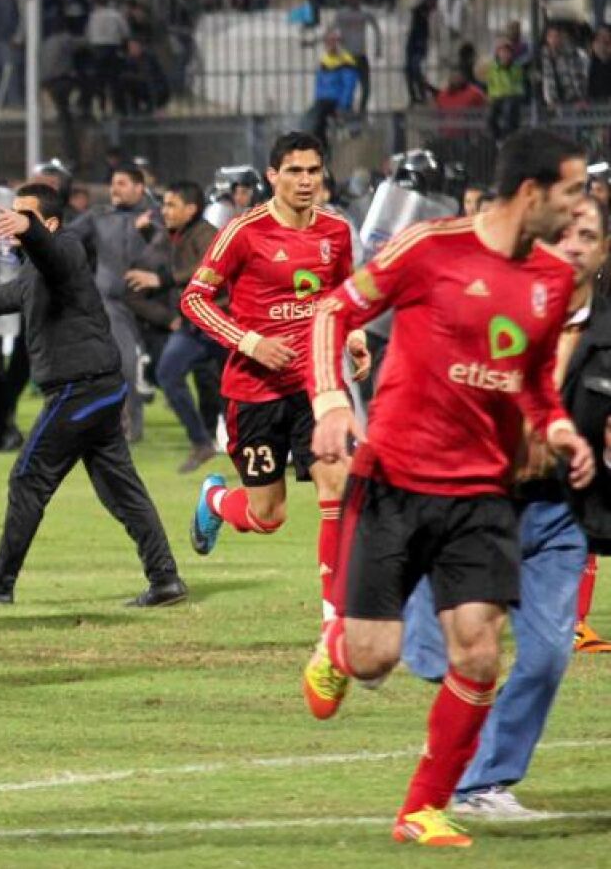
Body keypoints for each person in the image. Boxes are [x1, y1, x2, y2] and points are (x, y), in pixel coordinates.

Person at [305, 128, 592, 847]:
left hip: (482, 495)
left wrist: (556, 428)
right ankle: (338, 646)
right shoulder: (429, 247)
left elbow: (532, 381)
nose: (579, 207)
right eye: (571, 191)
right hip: (394, 482)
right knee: (375, 657)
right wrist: (330, 401)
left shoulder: (553, 280)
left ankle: (422, 808)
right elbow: (332, 311)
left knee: (479, 652)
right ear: (531, 192)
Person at [394, 196, 605, 818]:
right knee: (445, 655)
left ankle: (482, 782)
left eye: (587, 235)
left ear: (604, 250)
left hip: (561, 512)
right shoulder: (494, 301)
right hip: (479, 500)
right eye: (563, 233)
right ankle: (404, 616)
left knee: (547, 655)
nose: (573, 245)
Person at [0, 184, 187, 608]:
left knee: (28, 478)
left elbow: (53, 255)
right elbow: (20, 292)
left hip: (79, 388)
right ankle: (165, 578)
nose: (15, 223)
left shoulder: (68, 248)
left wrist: (30, 230)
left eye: (26, 216)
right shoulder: (36, 268)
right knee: (121, 490)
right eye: (14, 215)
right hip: (97, 388)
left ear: (51, 224)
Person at [183, 132, 365, 629]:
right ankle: (216, 500)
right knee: (267, 515)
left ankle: (334, 622)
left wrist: (353, 337)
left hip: (318, 386)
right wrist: (250, 343)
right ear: (272, 176)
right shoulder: (244, 231)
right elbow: (195, 299)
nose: (305, 181)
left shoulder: (336, 230)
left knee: (338, 487)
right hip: (255, 391)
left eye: (313, 171)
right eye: (294, 171)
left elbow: (343, 294)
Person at [68, 165, 165, 441]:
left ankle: (210, 426)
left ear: (139, 187)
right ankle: (127, 426)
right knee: (123, 364)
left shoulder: (157, 215)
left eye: (122, 183)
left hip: (152, 304)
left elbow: (173, 247)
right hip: (112, 303)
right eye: (113, 184)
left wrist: (151, 230)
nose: (114, 189)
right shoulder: (98, 216)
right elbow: (66, 239)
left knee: (165, 366)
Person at [149, 181, 224, 473]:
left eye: (171, 205)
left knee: (239, 390)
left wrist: (165, 280)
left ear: (191, 209)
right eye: (164, 204)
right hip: (195, 325)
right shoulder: (178, 234)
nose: (164, 210)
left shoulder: (206, 234)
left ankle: (261, 445)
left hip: (222, 322)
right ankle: (202, 442)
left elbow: (209, 268)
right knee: (167, 373)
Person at [302, 29, 359, 141]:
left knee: (317, 120)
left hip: (336, 101)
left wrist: (343, 105)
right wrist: (317, 100)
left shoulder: (346, 61)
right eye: (328, 41)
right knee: (309, 122)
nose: (330, 44)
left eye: (334, 41)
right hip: (322, 101)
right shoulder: (324, 60)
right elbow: (319, 85)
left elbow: (349, 86)